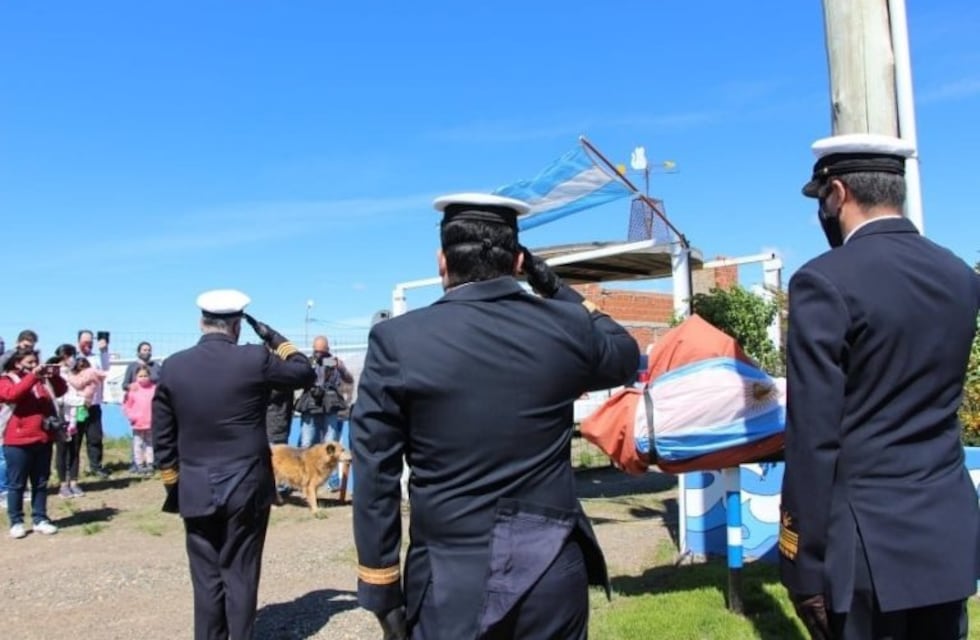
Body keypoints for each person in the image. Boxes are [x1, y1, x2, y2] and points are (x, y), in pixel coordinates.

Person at [352, 193, 640, 639]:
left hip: (451, 582)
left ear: (442, 261)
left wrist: (381, 586)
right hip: (551, 571)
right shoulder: (564, 326)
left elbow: (375, 470)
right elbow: (624, 353)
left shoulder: (397, 341)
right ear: (518, 261)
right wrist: (553, 285)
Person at [779, 133, 980, 640]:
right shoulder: (959, 275)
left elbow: (813, 437)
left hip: (866, 549)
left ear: (838, 193)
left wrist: (801, 563)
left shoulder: (823, 281)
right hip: (946, 535)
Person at [152, 289, 315, 640]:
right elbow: (304, 371)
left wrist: (174, 485)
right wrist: (273, 336)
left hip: (194, 484)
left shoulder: (174, 366)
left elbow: (162, 438)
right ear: (238, 325)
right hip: (247, 486)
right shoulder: (255, 357)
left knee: (206, 577)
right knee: (240, 572)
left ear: (201, 321)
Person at [0, 347, 67, 538]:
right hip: (16, 441)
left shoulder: (42, 381)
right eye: (30, 362)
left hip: (42, 438)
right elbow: (12, 395)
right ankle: (16, 521)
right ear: (17, 363)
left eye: (36, 362)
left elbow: (61, 391)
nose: (34, 366)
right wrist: (32, 377)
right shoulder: (6, 379)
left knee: (40, 482)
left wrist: (54, 376)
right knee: (17, 484)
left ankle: (40, 518)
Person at [296, 335, 353, 447]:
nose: (319, 356)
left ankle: (327, 464)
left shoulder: (334, 363)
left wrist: (340, 367)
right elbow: (297, 381)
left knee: (330, 442)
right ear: (313, 349)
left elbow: (349, 379)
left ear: (328, 350)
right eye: (316, 352)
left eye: (322, 353)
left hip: (330, 404)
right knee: (307, 441)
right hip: (310, 403)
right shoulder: (308, 362)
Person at [75, 329, 111, 478]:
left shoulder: (97, 358)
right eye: (85, 342)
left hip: (94, 405)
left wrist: (104, 350)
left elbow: (106, 367)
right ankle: (71, 469)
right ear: (78, 342)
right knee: (75, 439)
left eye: (91, 342)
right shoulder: (74, 359)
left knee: (95, 437)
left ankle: (96, 466)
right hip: (77, 405)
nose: (88, 345)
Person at [123, 364, 156, 474]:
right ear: (136, 376)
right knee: (138, 443)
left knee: (150, 443)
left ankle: (150, 463)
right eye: (140, 376)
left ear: (149, 376)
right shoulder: (133, 388)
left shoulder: (154, 388)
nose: (143, 378)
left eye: (145, 375)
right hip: (137, 422)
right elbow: (126, 405)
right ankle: (139, 464)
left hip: (151, 422)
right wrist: (131, 416)